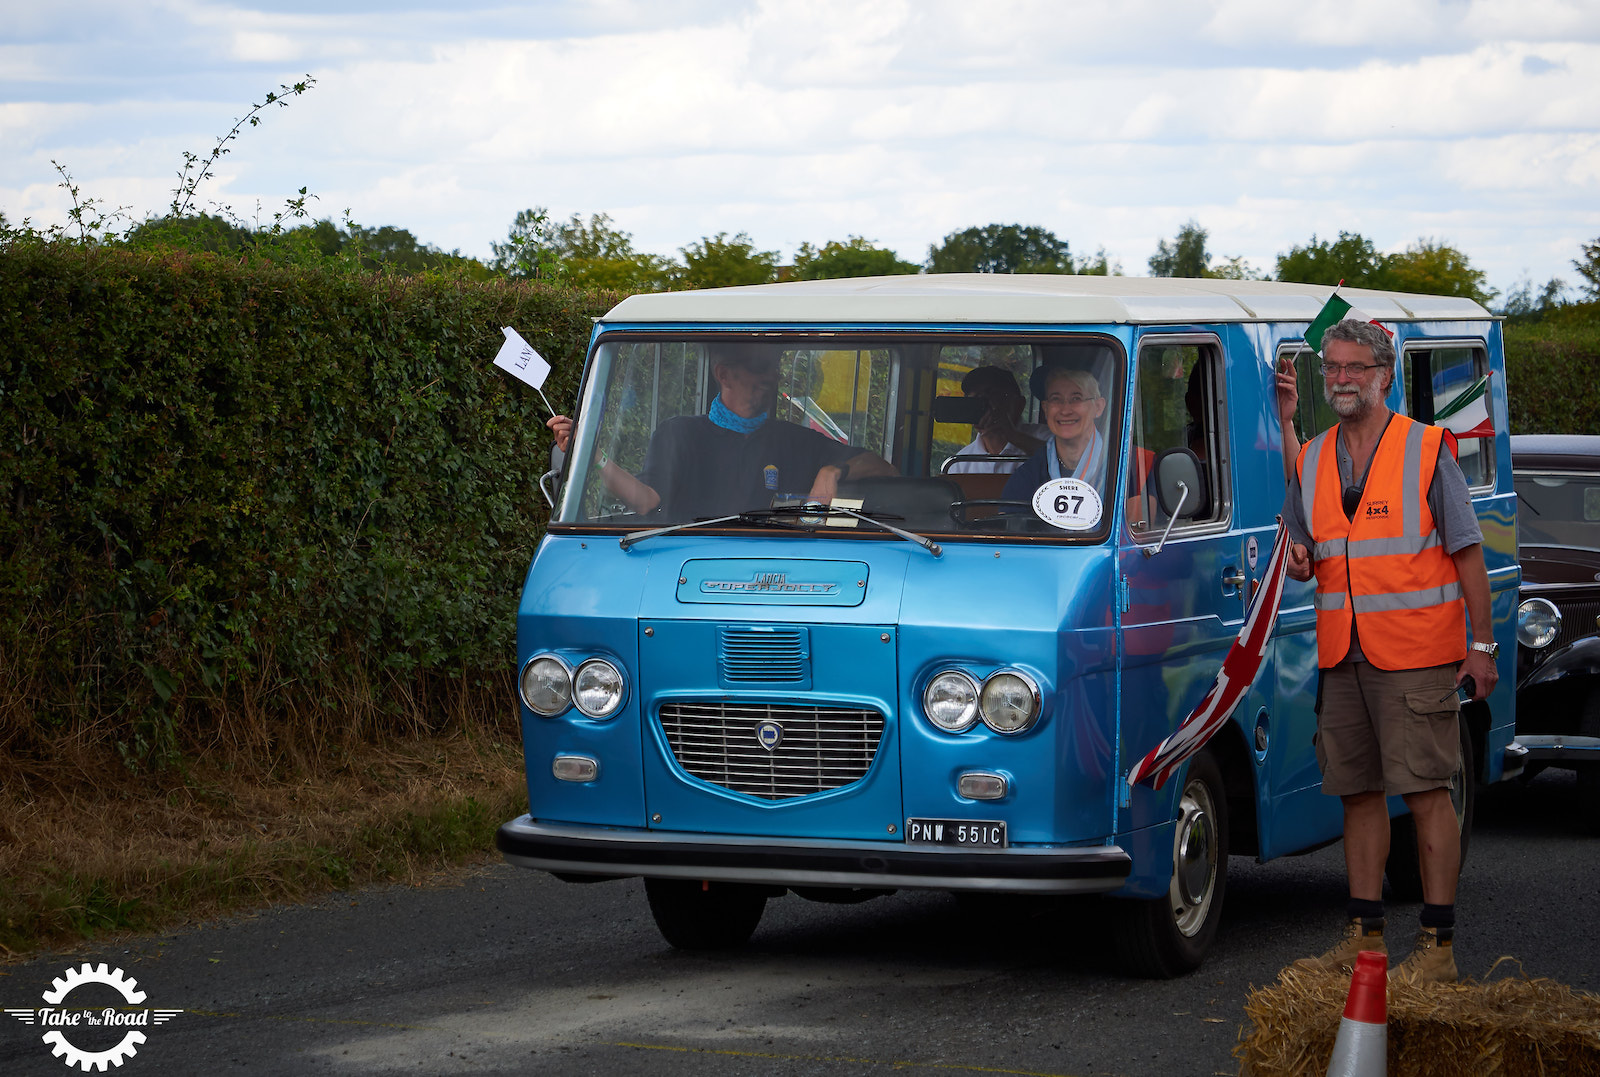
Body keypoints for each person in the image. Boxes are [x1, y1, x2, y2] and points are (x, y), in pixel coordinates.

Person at [1281, 319, 1498, 986]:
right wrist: (1298, 561)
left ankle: (1437, 945)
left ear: (1384, 374)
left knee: (1428, 792)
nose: (1341, 378)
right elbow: (1305, 550)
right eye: (1332, 368)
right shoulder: (1314, 456)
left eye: (1353, 367)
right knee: (1357, 795)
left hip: (1417, 657)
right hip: (1341, 657)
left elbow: (1468, 555)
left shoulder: (1428, 450)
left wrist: (1482, 646)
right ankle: (1364, 937)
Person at [547, 344, 895, 521]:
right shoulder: (680, 434)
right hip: (691, 566)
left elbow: (884, 468)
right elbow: (645, 500)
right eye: (759, 368)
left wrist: (835, 470)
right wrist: (593, 454)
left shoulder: (795, 439)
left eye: (773, 370)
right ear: (724, 375)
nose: (770, 378)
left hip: (782, 575)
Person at [1001, 367, 1111, 503]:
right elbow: (1011, 523)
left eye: (1076, 398)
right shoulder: (1026, 476)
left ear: (1098, 407)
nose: (1065, 410)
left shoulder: (1130, 466)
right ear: (1046, 409)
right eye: (1056, 399)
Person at [946, 365, 1046, 474]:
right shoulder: (959, 463)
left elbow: (1062, 460)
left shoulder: (1046, 437)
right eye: (976, 400)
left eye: (992, 396)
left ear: (1019, 404)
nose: (986, 407)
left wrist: (1012, 434)